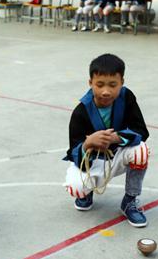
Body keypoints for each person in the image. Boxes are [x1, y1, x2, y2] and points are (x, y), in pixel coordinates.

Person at [63, 53, 150, 228]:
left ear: (122, 82)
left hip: (117, 155)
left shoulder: (127, 98)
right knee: (75, 187)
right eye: (100, 84)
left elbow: (142, 131)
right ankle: (86, 193)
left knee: (141, 150)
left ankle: (130, 201)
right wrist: (88, 143)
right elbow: (74, 152)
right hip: (92, 161)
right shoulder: (81, 111)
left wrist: (117, 137)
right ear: (90, 83)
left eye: (113, 85)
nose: (106, 91)